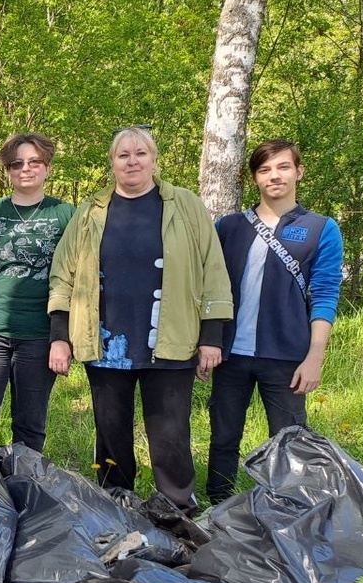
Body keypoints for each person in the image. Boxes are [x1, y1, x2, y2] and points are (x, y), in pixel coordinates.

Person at [48, 125, 232, 513]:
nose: (132, 161)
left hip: (171, 339)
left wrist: (212, 335)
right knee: (111, 430)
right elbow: (63, 274)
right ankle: (115, 502)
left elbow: (212, 269)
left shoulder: (185, 205)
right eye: (123, 155)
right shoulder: (91, 212)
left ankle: (178, 506)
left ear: (154, 159)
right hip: (106, 340)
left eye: (140, 153)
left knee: (170, 433)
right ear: (112, 163)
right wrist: (60, 336)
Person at [205, 139, 344, 501]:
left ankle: (290, 513)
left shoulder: (320, 228)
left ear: (298, 172)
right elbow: (210, 289)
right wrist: (206, 341)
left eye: (283, 167)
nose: (274, 176)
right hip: (231, 353)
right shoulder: (230, 226)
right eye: (264, 170)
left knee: (290, 443)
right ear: (255, 178)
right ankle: (216, 510)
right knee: (222, 436)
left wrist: (315, 356)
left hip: (287, 356)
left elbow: (325, 295)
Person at [0, 132, 74, 449]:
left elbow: (81, 278)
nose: (26, 169)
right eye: (17, 163)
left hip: (40, 334)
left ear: (47, 167)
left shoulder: (66, 215)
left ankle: (24, 488)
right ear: (8, 170)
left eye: (35, 162)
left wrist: (64, 338)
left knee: (30, 423)